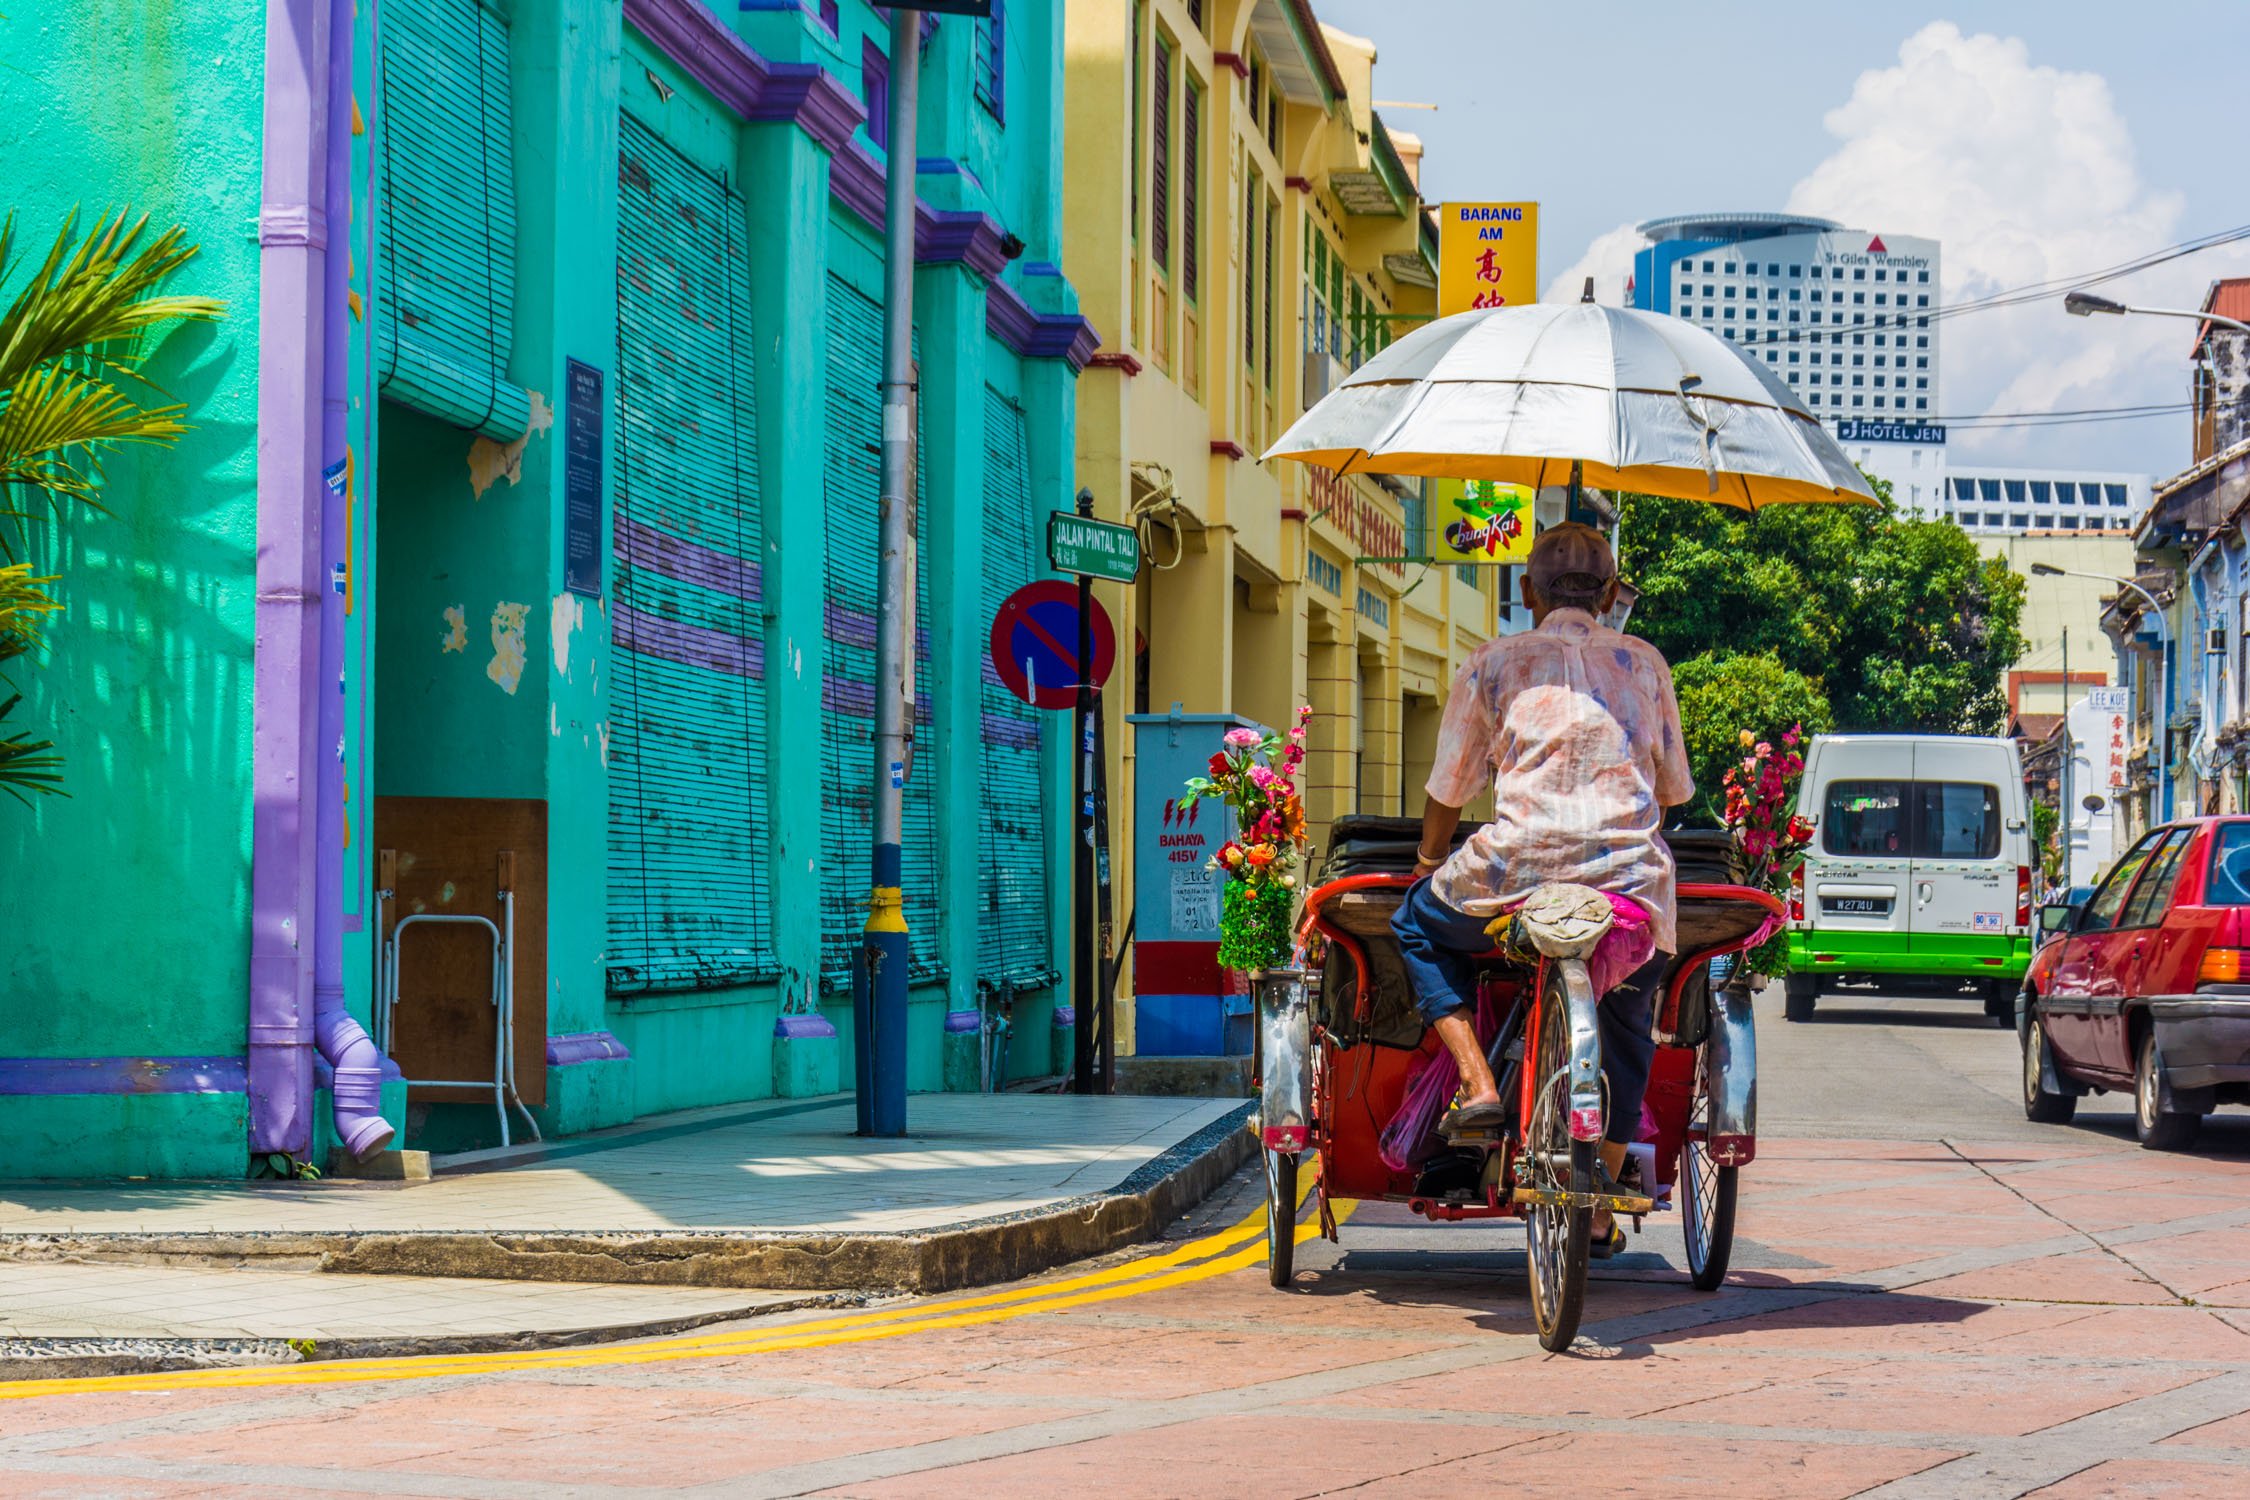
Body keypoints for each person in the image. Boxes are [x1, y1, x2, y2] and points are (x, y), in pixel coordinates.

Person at [1390, 521, 1694, 1255]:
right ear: (1615, 594)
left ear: (1527, 591)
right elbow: (1675, 791)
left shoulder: (1493, 660)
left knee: (1414, 924)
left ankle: (1478, 1083)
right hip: (1628, 883)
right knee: (1629, 1010)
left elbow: (1450, 787)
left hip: (1511, 876)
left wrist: (1432, 860)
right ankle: (1600, 1203)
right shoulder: (1646, 662)